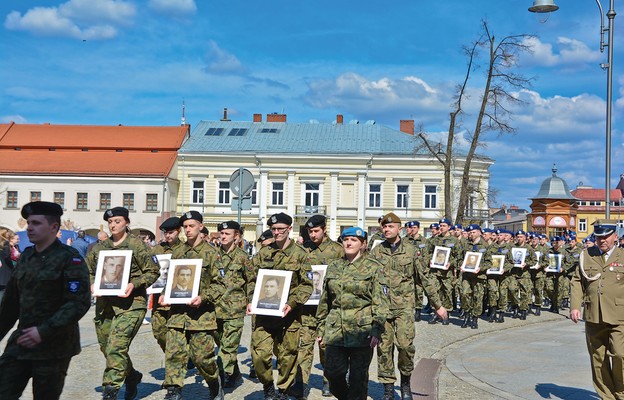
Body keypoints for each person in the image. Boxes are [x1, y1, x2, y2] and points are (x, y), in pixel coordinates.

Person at [0, 201, 91, 399]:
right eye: (28, 223)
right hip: (22, 341)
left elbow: (78, 302)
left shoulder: (69, 258)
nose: (29, 228)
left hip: (54, 346)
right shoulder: (26, 257)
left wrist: (44, 330)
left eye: (36, 223)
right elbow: (10, 304)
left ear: (54, 227)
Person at [370, 213, 447, 400]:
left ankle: (405, 383)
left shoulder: (412, 251)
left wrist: (437, 305)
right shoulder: (376, 251)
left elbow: (425, 278)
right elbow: (369, 281)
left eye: (391, 227)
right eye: (384, 227)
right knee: (384, 349)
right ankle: (388, 389)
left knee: (405, 346)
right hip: (383, 308)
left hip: (404, 306)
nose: (386, 230)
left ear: (399, 228)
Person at [86, 207, 160, 400]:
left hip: (131, 304)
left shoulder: (137, 245)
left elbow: (153, 271)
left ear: (126, 222)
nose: (113, 225)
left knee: (116, 346)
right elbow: (89, 270)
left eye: (117, 221)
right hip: (105, 306)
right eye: (110, 222)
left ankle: (110, 390)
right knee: (106, 347)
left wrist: (133, 284)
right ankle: (132, 376)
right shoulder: (100, 248)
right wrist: (92, 283)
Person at [246, 212, 313, 399]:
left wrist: (292, 303)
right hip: (264, 315)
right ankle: (267, 386)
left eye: (280, 229)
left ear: (289, 229)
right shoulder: (264, 253)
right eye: (273, 229)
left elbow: (307, 285)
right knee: (259, 355)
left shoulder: (301, 255)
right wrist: (251, 299)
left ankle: (283, 390)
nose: (276, 233)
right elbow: (251, 279)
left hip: (289, 316)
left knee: (287, 356)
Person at [316, 227, 388, 400]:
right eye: (345, 239)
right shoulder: (334, 267)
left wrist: (377, 329)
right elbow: (324, 300)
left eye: (354, 240)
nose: (348, 243)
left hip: (361, 331)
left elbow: (380, 302)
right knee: (332, 374)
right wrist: (320, 328)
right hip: (335, 330)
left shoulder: (374, 268)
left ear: (363, 244)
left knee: (358, 378)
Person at [159, 210, 224, 400]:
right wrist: (164, 295)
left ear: (201, 227)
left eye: (191, 226)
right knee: (174, 355)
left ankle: (213, 382)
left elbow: (220, 284)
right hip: (177, 314)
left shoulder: (211, 253)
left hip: (201, 316)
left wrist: (203, 298)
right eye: (185, 227)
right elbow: (171, 280)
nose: (187, 230)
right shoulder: (178, 252)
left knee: (202, 358)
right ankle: (173, 391)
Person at [571, 220, 624, 400]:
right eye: (599, 236)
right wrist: (575, 307)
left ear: (615, 237)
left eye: (606, 236)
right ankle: (607, 396)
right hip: (594, 314)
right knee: (598, 358)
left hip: (619, 315)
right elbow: (578, 282)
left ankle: (621, 392)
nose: (602, 240)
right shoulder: (586, 255)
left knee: (620, 354)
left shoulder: (622, 255)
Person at [295, 214, 344, 398]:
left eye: (316, 231)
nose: (313, 235)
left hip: (329, 309)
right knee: (304, 347)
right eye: (310, 231)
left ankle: (328, 380)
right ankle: (302, 383)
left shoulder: (337, 250)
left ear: (324, 229)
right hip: (306, 309)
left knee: (327, 348)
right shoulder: (302, 250)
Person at [212, 220, 250, 388]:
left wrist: (251, 301)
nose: (223, 236)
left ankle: (219, 379)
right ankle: (235, 374)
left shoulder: (243, 257)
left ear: (237, 236)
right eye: (221, 233)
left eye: (227, 234)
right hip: (215, 309)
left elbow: (251, 281)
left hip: (235, 309)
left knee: (229, 346)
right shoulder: (213, 255)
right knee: (221, 344)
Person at [150, 216, 182, 352]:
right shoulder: (157, 250)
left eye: (171, 233)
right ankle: (172, 353)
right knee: (159, 331)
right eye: (165, 233)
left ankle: (178, 357)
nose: (167, 236)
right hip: (159, 299)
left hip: (178, 298)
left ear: (178, 231)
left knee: (177, 334)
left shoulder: (184, 250)